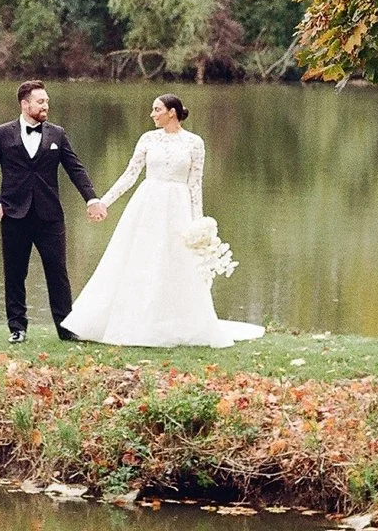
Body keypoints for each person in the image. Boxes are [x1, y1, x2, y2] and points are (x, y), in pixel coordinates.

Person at [63, 95, 264, 348]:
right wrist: (104, 202)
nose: (152, 114)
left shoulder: (194, 143)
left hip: (178, 207)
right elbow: (130, 175)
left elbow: (195, 185)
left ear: (172, 112)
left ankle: (172, 323)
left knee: (175, 261)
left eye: (157, 109)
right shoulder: (148, 139)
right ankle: (132, 321)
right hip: (147, 205)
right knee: (139, 259)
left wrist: (198, 223)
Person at [0, 81, 104, 343]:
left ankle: (66, 328)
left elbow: (75, 168)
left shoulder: (57, 134)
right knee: (15, 274)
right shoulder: (1, 134)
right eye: (40, 102)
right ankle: (17, 328)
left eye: (47, 101)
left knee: (57, 273)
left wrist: (91, 198)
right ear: (25, 104)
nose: (46, 105)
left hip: (50, 216)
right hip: (14, 215)